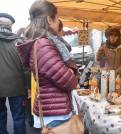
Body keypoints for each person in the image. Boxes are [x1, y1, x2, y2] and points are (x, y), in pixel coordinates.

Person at [16, 0, 78, 129]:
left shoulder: (40, 42)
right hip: (55, 113)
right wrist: (71, 72)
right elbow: (68, 81)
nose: (58, 21)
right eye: (57, 18)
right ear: (49, 20)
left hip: (52, 108)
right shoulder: (43, 45)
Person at [0, 13, 27, 134]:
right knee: (19, 116)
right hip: (17, 86)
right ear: (10, 27)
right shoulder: (20, 42)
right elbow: (27, 66)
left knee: (0, 116)